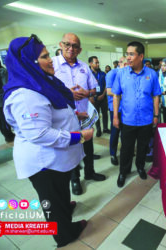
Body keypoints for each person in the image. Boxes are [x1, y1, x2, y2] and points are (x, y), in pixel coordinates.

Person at [3, 35, 93, 247]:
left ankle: (63, 210)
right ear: (28, 61)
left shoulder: (41, 81)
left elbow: (53, 110)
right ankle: (64, 234)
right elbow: (40, 133)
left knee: (60, 192)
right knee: (51, 200)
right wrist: (79, 137)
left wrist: (75, 116)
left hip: (56, 160)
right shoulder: (25, 94)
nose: (51, 59)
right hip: (43, 162)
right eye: (44, 56)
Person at [52, 33, 106, 195]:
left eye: (75, 46)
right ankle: (75, 179)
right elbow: (44, 91)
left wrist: (87, 92)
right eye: (67, 44)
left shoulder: (84, 67)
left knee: (88, 146)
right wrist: (66, 93)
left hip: (84, 116)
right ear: (60, 44)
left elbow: (95, 89)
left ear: (80, 49)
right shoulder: (52, 65)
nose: (71, 48)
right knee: (72, 148)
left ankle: (89, 172)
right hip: (64, 119)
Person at [112, 41, 161, 187]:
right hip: (128, 120)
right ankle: (123, 172)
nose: (128, 57)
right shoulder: (121, 74)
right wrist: (115, 116)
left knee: (142, 147)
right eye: (127, 54)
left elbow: (156, 95)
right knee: (126, 148)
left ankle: (140, 167)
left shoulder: (151, 74)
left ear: (141, 56)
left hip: (146, 120)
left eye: (131, 54)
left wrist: (156, 115)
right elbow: (116, 95)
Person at [106, 56, 127, 166]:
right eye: (126, 63)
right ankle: (113, 153)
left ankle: (125, 151)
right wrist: (125, 94)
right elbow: (109, 91)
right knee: (115, 131)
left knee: (125, 132)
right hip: (115, 108)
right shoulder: (112, 74)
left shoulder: (128, 73)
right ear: (120, 63)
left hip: (126, 108)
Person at [0, 51, 15, 142]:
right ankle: (9, 137)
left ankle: (6, 136)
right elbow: (6, 86)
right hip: (0, 100)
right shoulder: (0, 71)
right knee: (4, 120)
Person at [89, 56, 110, 137]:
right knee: (96, 115)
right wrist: (94, 95)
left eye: (98, 62)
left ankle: (105, 128)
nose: (98, 64)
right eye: (96, 63)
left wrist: (103, 94)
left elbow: (106, 85)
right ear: (91, 63)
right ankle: (98, 129)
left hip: (103, 97)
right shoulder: (88, 74)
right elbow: (87, 86)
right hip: (94, 98)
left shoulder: (103, 74)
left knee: (105, 113)